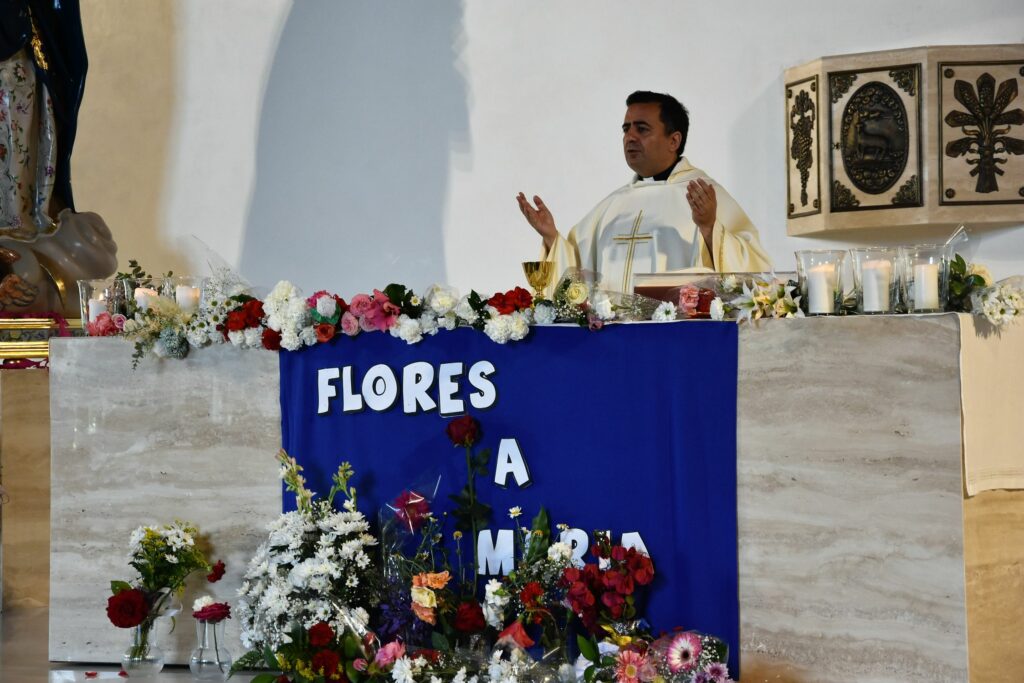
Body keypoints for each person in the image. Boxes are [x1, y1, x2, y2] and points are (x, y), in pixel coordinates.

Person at [516, 91, 770, 296]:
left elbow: (756, 271)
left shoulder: (703, 193)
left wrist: (710, 228)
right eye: (626, 129)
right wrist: (551, 238)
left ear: (674, 140)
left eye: (642, 129)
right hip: (610, 342)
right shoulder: (612, 205)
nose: (630, 137)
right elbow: (576, 272)